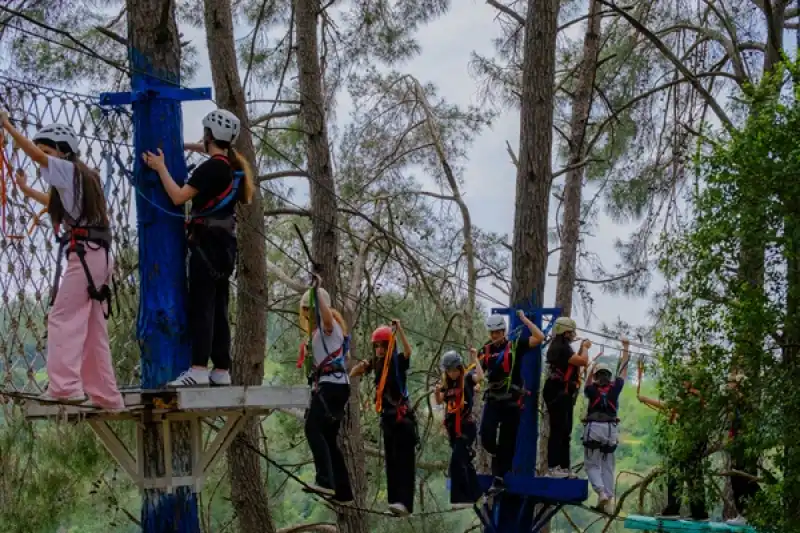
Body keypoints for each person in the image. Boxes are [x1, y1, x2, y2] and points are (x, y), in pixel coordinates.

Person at [0, 112, 124, 410]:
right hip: (97, 254)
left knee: (62, 317)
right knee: (94, 327)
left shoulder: (68, 170)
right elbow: (57, 204)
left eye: (46, 151)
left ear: (62, 150)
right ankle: (106, 395)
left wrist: (6, 125)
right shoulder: (82, 176)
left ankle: (65, 387)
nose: (40, 158)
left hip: (84, 255)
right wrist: (27, 190)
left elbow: (31, 152)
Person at [141, 109, 254, 387]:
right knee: (219, 306)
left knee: (202, 306)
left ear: (209, 136)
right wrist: (185, 146)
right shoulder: (229, 167)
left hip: (206, 245)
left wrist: (160, 168)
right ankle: (221, 369)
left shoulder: (210, 169)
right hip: (225, 247)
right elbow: (209, 160)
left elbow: (179, 197)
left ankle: (199, 368)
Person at [350, 320, 416, 516]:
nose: (379, 349)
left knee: (404, 463)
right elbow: (355, 372)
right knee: (391, 461)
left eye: (383, 345)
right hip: (387, 419)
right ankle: (395, 503)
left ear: (390, 346)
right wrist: (361, 365)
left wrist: (400, 331)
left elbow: (408, 351)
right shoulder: (376, 363)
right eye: (376, 346)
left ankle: (406, 504)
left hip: (402, 419)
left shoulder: (397, 361)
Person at [297, 280, 354, 505]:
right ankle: (343, 492)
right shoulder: (318, 335)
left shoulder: (330, 327)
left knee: (312, 428)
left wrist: (316, 291)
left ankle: (324, 480)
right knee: (329, 439)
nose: (309, 315)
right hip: (331, 386)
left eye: (311, 310)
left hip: (333, 386)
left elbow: (327, 316)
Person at [480, 310, 545, 489]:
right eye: (492, 333)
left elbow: (539, 337)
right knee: (486, 435)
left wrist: (524, 320)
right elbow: (476, 372)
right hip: (493, 399)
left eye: (498, 332)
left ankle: (500, 476)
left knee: (508, 441)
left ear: (504, 331)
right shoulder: (485, 350)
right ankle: (497, 458)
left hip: (511, 401)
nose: (495, 336)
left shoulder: (515, 345)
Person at [638, 378, 709, 521]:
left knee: (675, 471)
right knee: (694, 473)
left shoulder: (690, 396)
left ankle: (673, 509)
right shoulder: (699, 396)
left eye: (684, 381)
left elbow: (668, 406)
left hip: (688, 439)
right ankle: (699, 512)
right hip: (698, 438)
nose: (682, 383)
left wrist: (645, 398)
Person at [582, 338, 630, 512]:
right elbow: (623, 370)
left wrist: (591, 368)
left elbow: (586, 380)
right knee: (608, 464)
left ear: (596, 377)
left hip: (594, 428)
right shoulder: (615, 388)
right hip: (611, 430)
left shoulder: (591, 390)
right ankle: (608, 499)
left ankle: (601, 493)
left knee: (592, 464)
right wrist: (626, 348)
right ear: (609, 377)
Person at [435, 349, 484, 509]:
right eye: (449, 371)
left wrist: (475, 359)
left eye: (455, 370)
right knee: (464, 461)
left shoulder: (468, 378)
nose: (452, 373)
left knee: (456, 461)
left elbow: (481, 377)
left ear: (460, 368)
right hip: (453, 430)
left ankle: (461, 499)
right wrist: (437, 391)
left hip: (466, 427)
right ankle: (477, 495)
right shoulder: (446, 384)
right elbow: (439, 400)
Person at [542, 317, 590, 478]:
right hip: (558, 391)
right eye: (571, 332)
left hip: (561, 391)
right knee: (559, 429)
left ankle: (563, 467)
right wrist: (585, 347)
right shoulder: (560, 347)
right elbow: (583, 361)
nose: (572, 335)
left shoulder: (560, 346)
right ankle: (554, 466)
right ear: (565, 332)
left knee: (565, 430)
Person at [725, 369, 759, 526]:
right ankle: (744, 513)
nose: (728, 386)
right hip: (739, 445)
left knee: (744, 478)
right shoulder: (736, 404)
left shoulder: (745, 403)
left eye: (731, 383)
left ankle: (748, 512)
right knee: (737, 477)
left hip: (745, 446)